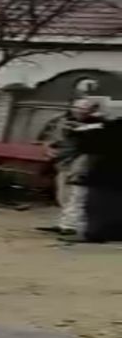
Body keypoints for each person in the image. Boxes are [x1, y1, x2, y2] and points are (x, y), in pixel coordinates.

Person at [38, 98, 99, 236]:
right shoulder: (61, 121)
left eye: (84, 109)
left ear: (92, 110)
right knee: (62, 194)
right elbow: (47, 139)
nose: (80, 111)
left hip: (81, 163)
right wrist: (48, 148)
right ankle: (65, 223)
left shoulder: (96, 124)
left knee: (76, 195)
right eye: (77, 107)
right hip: (62, 162)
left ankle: (72, 226)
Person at [68, 112, 122, 243]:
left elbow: (85, 143)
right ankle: (115, 234)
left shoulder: (108, 129)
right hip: (113, 177)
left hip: (105, 175)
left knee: (97, 206)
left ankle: (95, 233)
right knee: (115, 207)